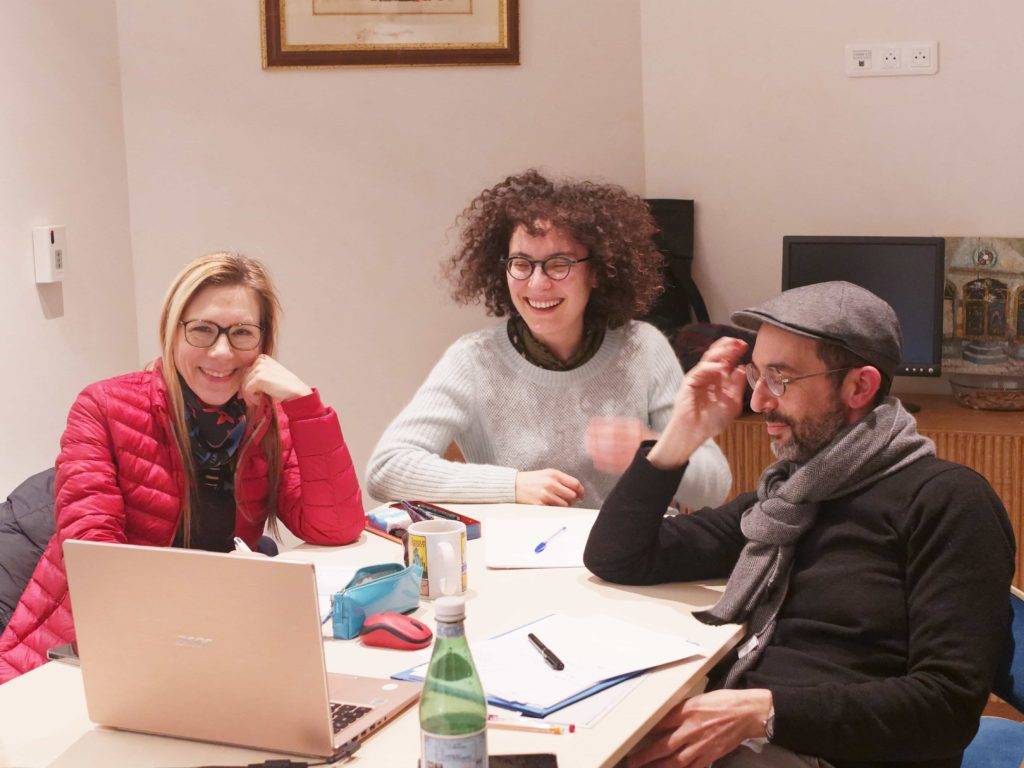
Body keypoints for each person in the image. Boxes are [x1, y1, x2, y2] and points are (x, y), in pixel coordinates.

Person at [583, 281, 1015, 768]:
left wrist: (765, 712)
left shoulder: (947, 501)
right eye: (755, 375)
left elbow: (947, 708)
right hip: (750, 733)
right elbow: (619, 557)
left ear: (859, 387)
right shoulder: (786, 499)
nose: (760, 401)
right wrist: (682, 434)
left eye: (781, 379)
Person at [0, 253, 364, 683]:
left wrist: (305, 406)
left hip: (207, 641)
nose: (222, 352)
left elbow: (335, 528)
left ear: (264, 343)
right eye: (203, 330)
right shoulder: (103, 407)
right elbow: (99, 570)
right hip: (78, 653)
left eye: (243, 333)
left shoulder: (269, 419)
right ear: (172, 333)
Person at [366, 170, 731, 509]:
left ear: (598, 272)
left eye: (559, 264)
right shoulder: (473, 359)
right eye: (522, 264)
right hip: (521, 562)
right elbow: (386, 469)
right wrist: (511, 486)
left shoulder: (643, 348)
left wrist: (655, 450)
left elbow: (715, 488)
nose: (538, 284)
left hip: (631, 563)